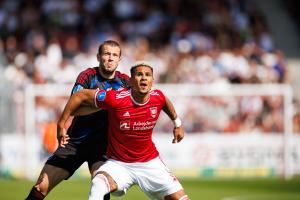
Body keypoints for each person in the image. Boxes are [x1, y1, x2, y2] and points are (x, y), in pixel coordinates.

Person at [57, 61, 190, 200]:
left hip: (150, 163)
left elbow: (165, 103)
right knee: (98, 183)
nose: (144, 78)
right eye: (139, 75)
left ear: (152, 80)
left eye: (147, 75)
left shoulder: (158, 97)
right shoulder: (115, 98)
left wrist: (177, 123)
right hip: (119, 164)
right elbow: (80, 95)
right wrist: (61, 124)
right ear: (131, 80)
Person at [25, 40, 129, 200]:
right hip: (75, 143)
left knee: (100, 188)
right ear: (98, 57)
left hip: (103, 147)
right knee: (42, 185)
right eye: (107, 54)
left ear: (119, 60)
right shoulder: (87, 77)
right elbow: (74, 108)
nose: (110, 58)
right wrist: (107, 103)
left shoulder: (125, 83)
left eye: (114, 55)